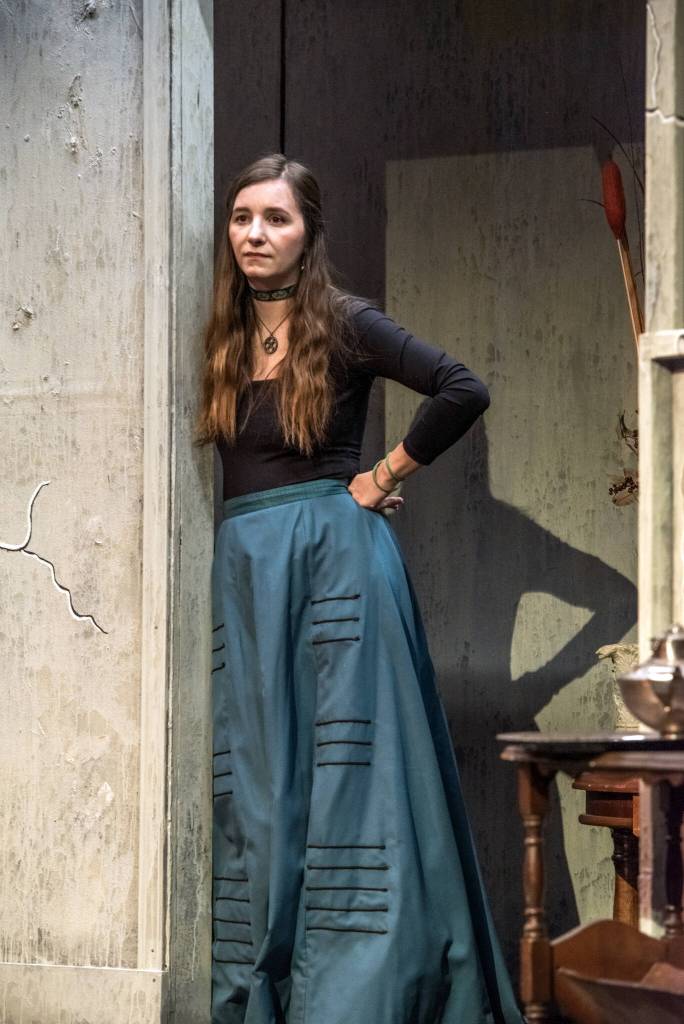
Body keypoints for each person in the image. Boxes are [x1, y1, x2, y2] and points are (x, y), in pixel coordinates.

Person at [195, 153, 524, 1024]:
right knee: (260, 791)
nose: (255, 234)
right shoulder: (223, 335)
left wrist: (381, 475)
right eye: (242, 218)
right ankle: (264, 989)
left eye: (276, 219)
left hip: (336, 568)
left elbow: (464, 387)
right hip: (247, 573)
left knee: (352, 785)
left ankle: (357, 999)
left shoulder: (343, 321)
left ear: (310, 235)